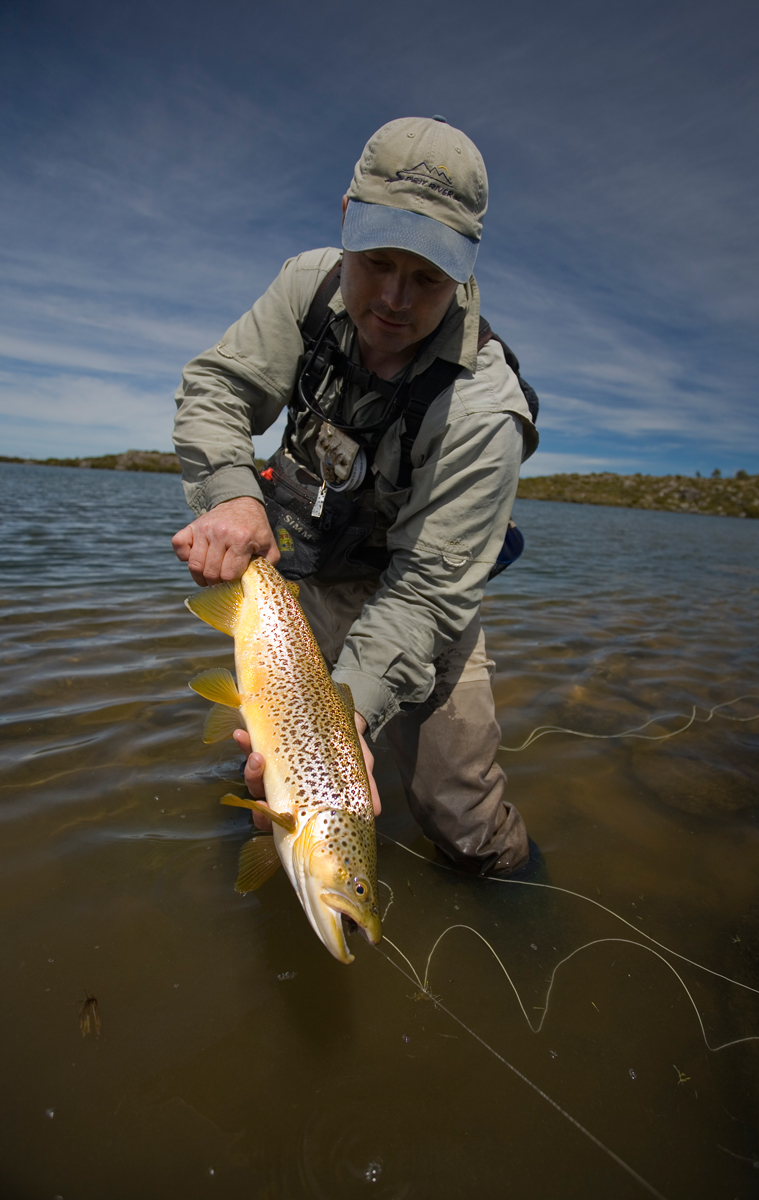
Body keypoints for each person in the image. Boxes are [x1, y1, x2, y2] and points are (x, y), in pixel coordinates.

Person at [171, 116, 538, 875]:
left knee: (459, 814)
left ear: (466, 268)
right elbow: (220, 388)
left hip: (419, 599)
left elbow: (428, 592)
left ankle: (518, 893)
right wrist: (233, 496)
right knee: (273, 781)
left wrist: (341, 722)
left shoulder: (484, 409)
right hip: (306, 577)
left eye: (428, 277)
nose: (394, 299)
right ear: (347, 221)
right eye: (376, 262)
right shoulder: (308, 285)